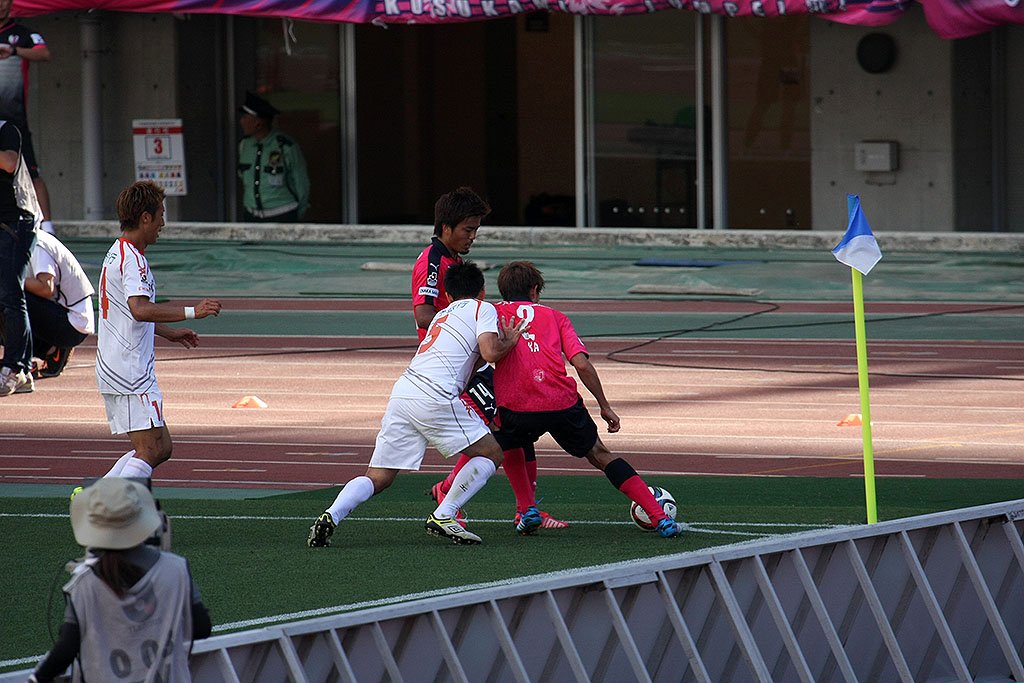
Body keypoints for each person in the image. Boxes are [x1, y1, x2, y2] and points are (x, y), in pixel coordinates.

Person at [307, 261, 529, 547]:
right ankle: (445, 514)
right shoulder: (482, 308)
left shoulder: (440, 316)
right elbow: (489, 352)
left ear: (447, 295)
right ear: (482, 291)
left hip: (403, 392)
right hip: (434, 393)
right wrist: (508, 342)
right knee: (492, 453)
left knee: (379, 476)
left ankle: (331, 515)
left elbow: (471, 362)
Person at [492, 261, 683, 538]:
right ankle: (660, 518)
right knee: (599, 454)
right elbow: (581, 364)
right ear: (534, 291)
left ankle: (526, 508)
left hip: (515, 404)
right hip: (561, 402)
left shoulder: (491, 313)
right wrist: (605, 406)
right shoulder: (557, 317)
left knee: (505, 441)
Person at [418, 187, 569, 530]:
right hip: (453, 363)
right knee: (503, 426)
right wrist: (473, 322)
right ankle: (509, 506)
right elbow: (423, 314)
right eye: (468, 230)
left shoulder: (455, 262)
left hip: (472, 360)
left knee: (510, 423)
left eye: (476, 230)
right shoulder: (432, 262)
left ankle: (523, 508)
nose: (473, 236)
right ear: (446, 227)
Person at [96, 181, 222, 481]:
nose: (162, 224)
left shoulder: (118, 252)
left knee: (161, 447)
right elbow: (139, 308)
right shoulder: (133, 260)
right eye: (161, 215)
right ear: (145, 218)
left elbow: (128, 313)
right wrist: (193, 311)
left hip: (121, 364)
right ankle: (102, 502)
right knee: (151, 448)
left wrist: (168, 332)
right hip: (128, 369)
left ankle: (99, 495)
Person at [29, 477, 211, 683]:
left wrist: (38, 678)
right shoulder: (176, 568)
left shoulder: (84, 583)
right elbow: (201, 628)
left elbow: (67, 648)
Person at [0, 0, 53, 235]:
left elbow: (44, 53)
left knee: (31, 172)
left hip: (13, 118)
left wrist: (14, 51)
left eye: (6, 1)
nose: (1, 5)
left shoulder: (22, 34)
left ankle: (48, 228)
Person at [0, 117, 42, 397]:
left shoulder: (6, 130)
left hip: (17, 223)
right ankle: (22, 370)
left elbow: (9, 162)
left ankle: (16, 367)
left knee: (11, 296)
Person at [24, 230, 94, 378]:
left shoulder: (37, 244)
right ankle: (51, 350)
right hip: (61, 315)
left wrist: (13, 279)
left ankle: (20, 363)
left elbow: (45, 288)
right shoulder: (22, 241)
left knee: (8, 293)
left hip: (72, 323)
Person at [237, 91, 310, 222]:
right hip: (252, 215)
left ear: (258, 123)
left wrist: (298, 213)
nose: (241, 121)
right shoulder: (244, 145)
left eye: (245, 117)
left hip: (282, 214)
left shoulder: (285, 146)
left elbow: (301, 183)